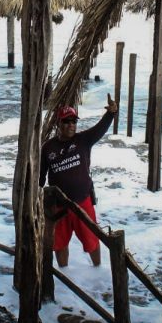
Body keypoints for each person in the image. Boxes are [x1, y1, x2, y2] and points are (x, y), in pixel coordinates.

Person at [39, 94, 118, 267]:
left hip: (83, 201)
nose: (71, 125)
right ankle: (64, 273)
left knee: (92, 241)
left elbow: (100, 128)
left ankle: (97, 271)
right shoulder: (48, 147)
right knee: (59, 244)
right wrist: (36, 200)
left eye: (74, 121)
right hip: (59, 206)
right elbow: (40, 177)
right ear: (59, 124)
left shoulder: (83, 140)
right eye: (66, 121)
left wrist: (111, 113)